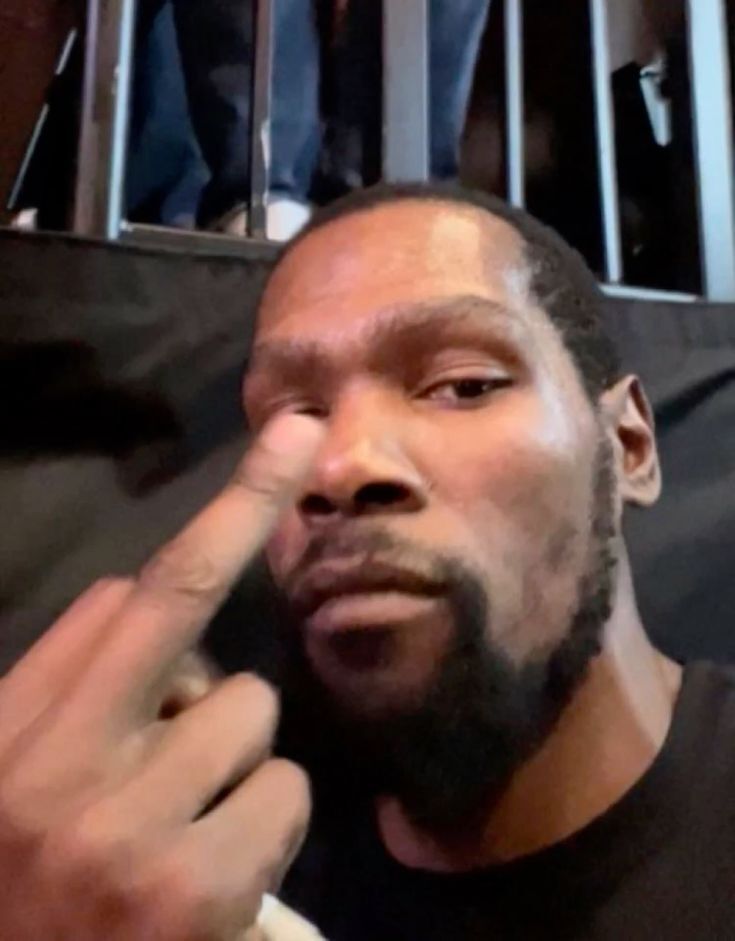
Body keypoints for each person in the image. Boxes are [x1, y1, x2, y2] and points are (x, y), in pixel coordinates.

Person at [1, 182, 734, 940]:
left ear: (628, 446)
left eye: (463, 386)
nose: (339, 465)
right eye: (290, 418)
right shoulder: (166, 875)